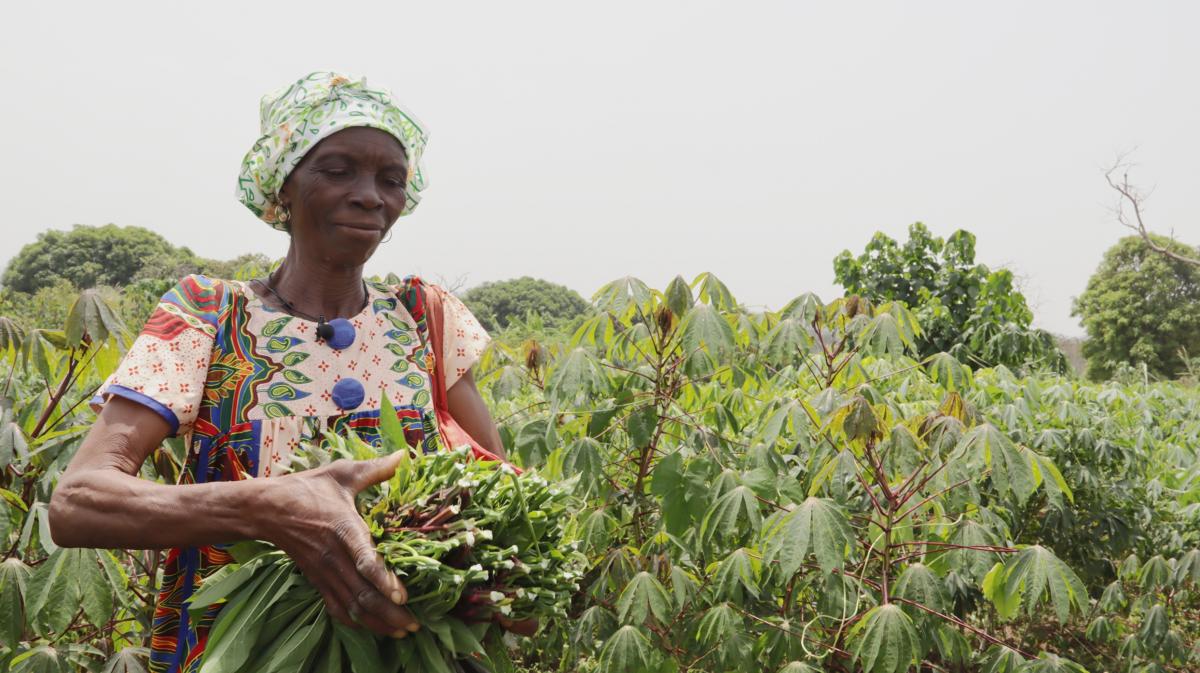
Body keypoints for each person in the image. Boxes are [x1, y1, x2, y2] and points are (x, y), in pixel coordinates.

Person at [48, 72, 510, 673]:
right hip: (240, 651)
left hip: (412, 650)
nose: (370, 195)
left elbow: (500, 503)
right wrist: (268, 506)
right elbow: (79, 503)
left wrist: (511, 584)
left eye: (389, 179)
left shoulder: (427, 319)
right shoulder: (207, 314)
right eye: (338, 169)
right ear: (283, 187)